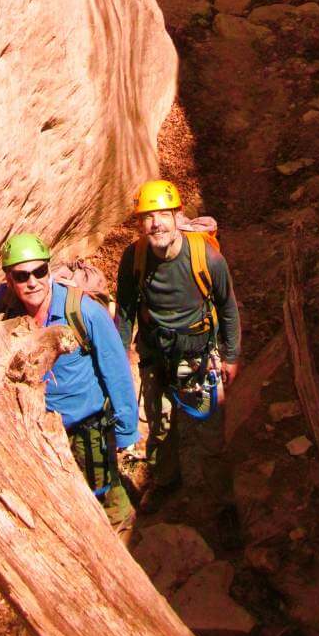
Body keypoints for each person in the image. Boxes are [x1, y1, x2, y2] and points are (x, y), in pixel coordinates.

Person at [0, 232, 138, 534]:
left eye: (39, 271)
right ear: (9, 280)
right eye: (22, 276)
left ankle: (125, 540)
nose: (32, 282)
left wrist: (126, 431)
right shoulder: (9, 311)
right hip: (40, 430)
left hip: (88, 428)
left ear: (49, 269)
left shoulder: (84, 312)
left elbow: (117, 371)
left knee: (106, 495)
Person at [115, 180, 241, 508]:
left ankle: (223, 504)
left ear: (177, 216)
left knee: (209, 436)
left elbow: (227, 307)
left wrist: (231, 355)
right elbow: (126, 310)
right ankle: (167, 481)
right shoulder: (134, 258)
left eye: (162, 214)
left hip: (197, 356)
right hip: (156, 356)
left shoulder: (207, 258)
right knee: (160, 427)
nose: (155, 223)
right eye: (147, 216)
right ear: (140, 223)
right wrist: (119, 358)